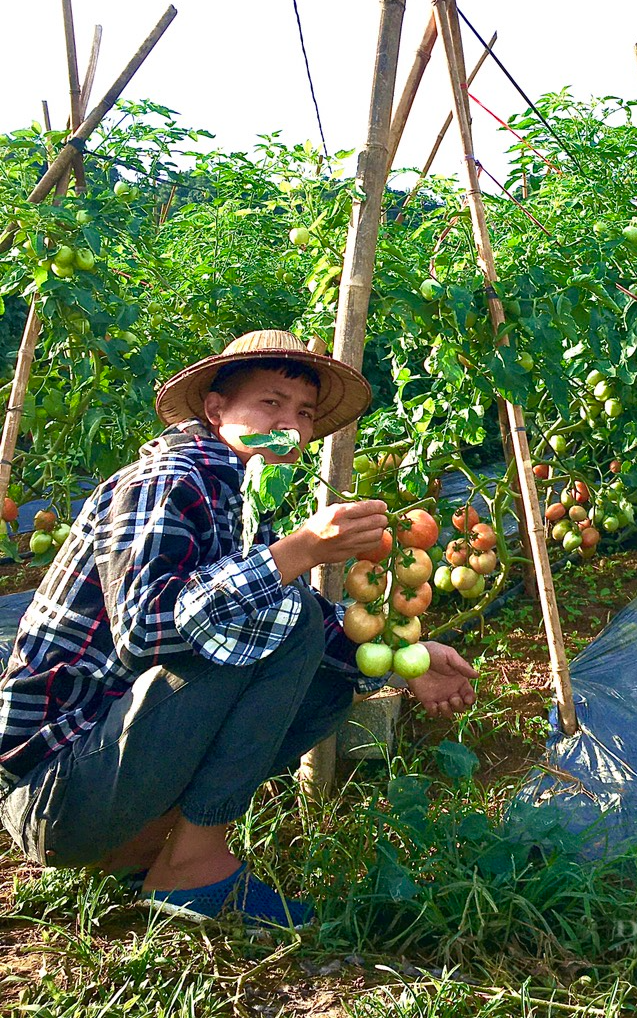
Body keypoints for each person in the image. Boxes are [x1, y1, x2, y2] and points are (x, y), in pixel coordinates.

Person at [0, 330, 478, 929]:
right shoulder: (171, 479)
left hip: (107, 775)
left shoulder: (242, 494)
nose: (294, 427)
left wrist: (409, 657)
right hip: (57, 793)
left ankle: (147, 851)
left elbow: (277, 634)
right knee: (293, 617)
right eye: (270, 404)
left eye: (304, 413)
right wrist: (294, 554)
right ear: (215, 409)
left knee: (326, 676)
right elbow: (146, 629)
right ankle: (192, 870)